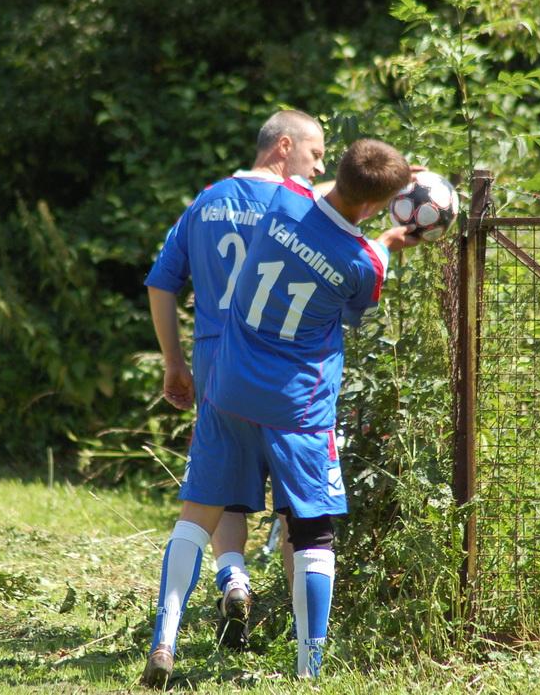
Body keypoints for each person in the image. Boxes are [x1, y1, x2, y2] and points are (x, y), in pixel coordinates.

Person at [142, 138, 419, 687]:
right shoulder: (362, 262)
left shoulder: (284, 200)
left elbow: (321, 195)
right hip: (298, 409)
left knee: (196, 517)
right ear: (375, 206)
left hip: (228, 390)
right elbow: (360, 295)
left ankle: (164, 641)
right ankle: (308, 671)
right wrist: (388, 239)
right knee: (312, 532)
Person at [144, 109, 325, 651]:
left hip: (216, 362)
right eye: (315, 154)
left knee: (218, 490)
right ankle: (303, 645)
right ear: (284, 146)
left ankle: (232, 577)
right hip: (282, 365)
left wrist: (174, 362)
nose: (319, 167)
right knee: (298, 505)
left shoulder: (206, 201)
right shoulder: (300, 206)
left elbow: (161, 282)